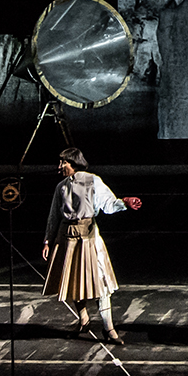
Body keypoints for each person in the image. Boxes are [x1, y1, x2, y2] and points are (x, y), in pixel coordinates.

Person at [41, 147, 142, 345]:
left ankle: (108, 327)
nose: (60, 166)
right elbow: (54, 215)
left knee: (100, 283)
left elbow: (108, 204)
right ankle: (83, 320)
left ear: (73, 163)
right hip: (67, 237)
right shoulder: (61, 186)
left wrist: (124, 203)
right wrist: (47, 241)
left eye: (63, 162)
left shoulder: (92, 181)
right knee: (74, 281)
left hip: (88, 238)